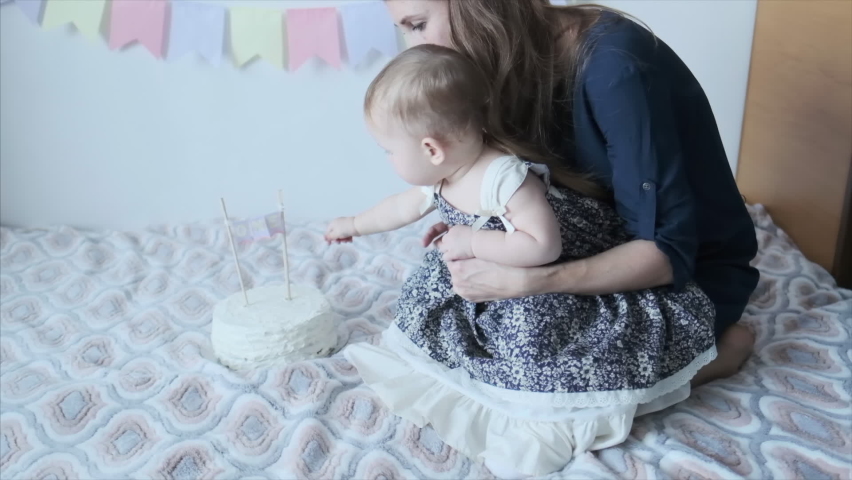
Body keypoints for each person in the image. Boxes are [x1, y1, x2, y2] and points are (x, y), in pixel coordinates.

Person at [327, 44, 717, 477]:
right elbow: (400, 208)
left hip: (549, 270)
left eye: (388, 151)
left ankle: (550, 404)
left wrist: (473, 241)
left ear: (431, 148)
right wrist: (354, 224)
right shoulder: (445, 174)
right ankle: (472, 377)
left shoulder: (503, 178)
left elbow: (542, 247)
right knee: (431, 296)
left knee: (533, 337)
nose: (388, 160)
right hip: (497, 264)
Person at [383, 0, 760, 387]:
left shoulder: (615, 68)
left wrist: (532, 283)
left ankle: (718, 354)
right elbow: (532, 191)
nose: (416, 49)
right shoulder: (501, 65)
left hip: (685, 277)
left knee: (547, 391)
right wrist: (478, 222)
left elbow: (667, 256)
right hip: (595, 246)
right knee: (449, 330)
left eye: (418, 24)